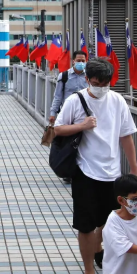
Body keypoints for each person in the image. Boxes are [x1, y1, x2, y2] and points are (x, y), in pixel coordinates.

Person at [54, 58, 137, 274]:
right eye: (96, 82)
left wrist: (134, 169)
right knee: (85, 224)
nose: (101, 87)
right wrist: (82, 125)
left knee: (108, 221)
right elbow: (57, 129)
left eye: (105, 83)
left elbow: (126, 136)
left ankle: (99, 249)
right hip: (85, 170)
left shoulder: (117, 100)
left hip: (112, 172)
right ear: (88, 80)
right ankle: (89, 271)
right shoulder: (75, 100)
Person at [48, 50, 88, 183]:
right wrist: (53, 113)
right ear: (73, 61)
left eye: (83, 61)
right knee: (68, 145)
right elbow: (58, 96)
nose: (81, 63)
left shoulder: (89, 76)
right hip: (67, 117)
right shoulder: (64, 76)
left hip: (84, 117)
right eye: (79, 61)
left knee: (82, 144)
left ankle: (81, 171)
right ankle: (67, 171)